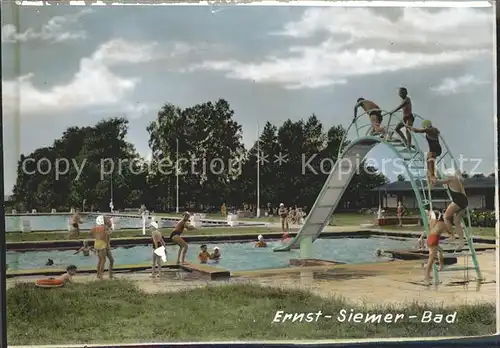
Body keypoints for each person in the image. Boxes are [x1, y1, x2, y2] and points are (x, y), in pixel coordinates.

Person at [434, 168, 468, 250]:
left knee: (445, 217)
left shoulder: (450, 179)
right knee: (457, 222)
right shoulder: (457, 179)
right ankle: (461, 242)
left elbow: (437, 182)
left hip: (458, 201)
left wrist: (431, 176)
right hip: (464, 201)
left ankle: (451, 235)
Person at [407, 120, 442, 184]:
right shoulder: (434, 129)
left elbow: (416, 130)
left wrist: (408, 126)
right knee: (428, 160)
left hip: (435, 149)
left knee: (431, 159)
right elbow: (438, 132)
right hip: (436, 148)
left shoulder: (429, 130)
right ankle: (430, 177)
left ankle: (432, 176)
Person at [423, 205, 446, 285]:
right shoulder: (439, 220)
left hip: (432, 239)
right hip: (433, 239)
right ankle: (427, 275)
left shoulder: (433, 215)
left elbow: (431, 227)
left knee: (439, 251)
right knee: (431, 259)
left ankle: (441, 265)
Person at [89, 215, 114, 280]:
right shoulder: (105, 228)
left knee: (105, 260)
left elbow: (90, 233)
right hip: (103, 244)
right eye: (108, 220)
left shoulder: (97, 227)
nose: (109, 220)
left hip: (98, 244)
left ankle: (104, 274)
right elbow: (107, 237)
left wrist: (96, 237)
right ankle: (101, 276)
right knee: (103, 260)